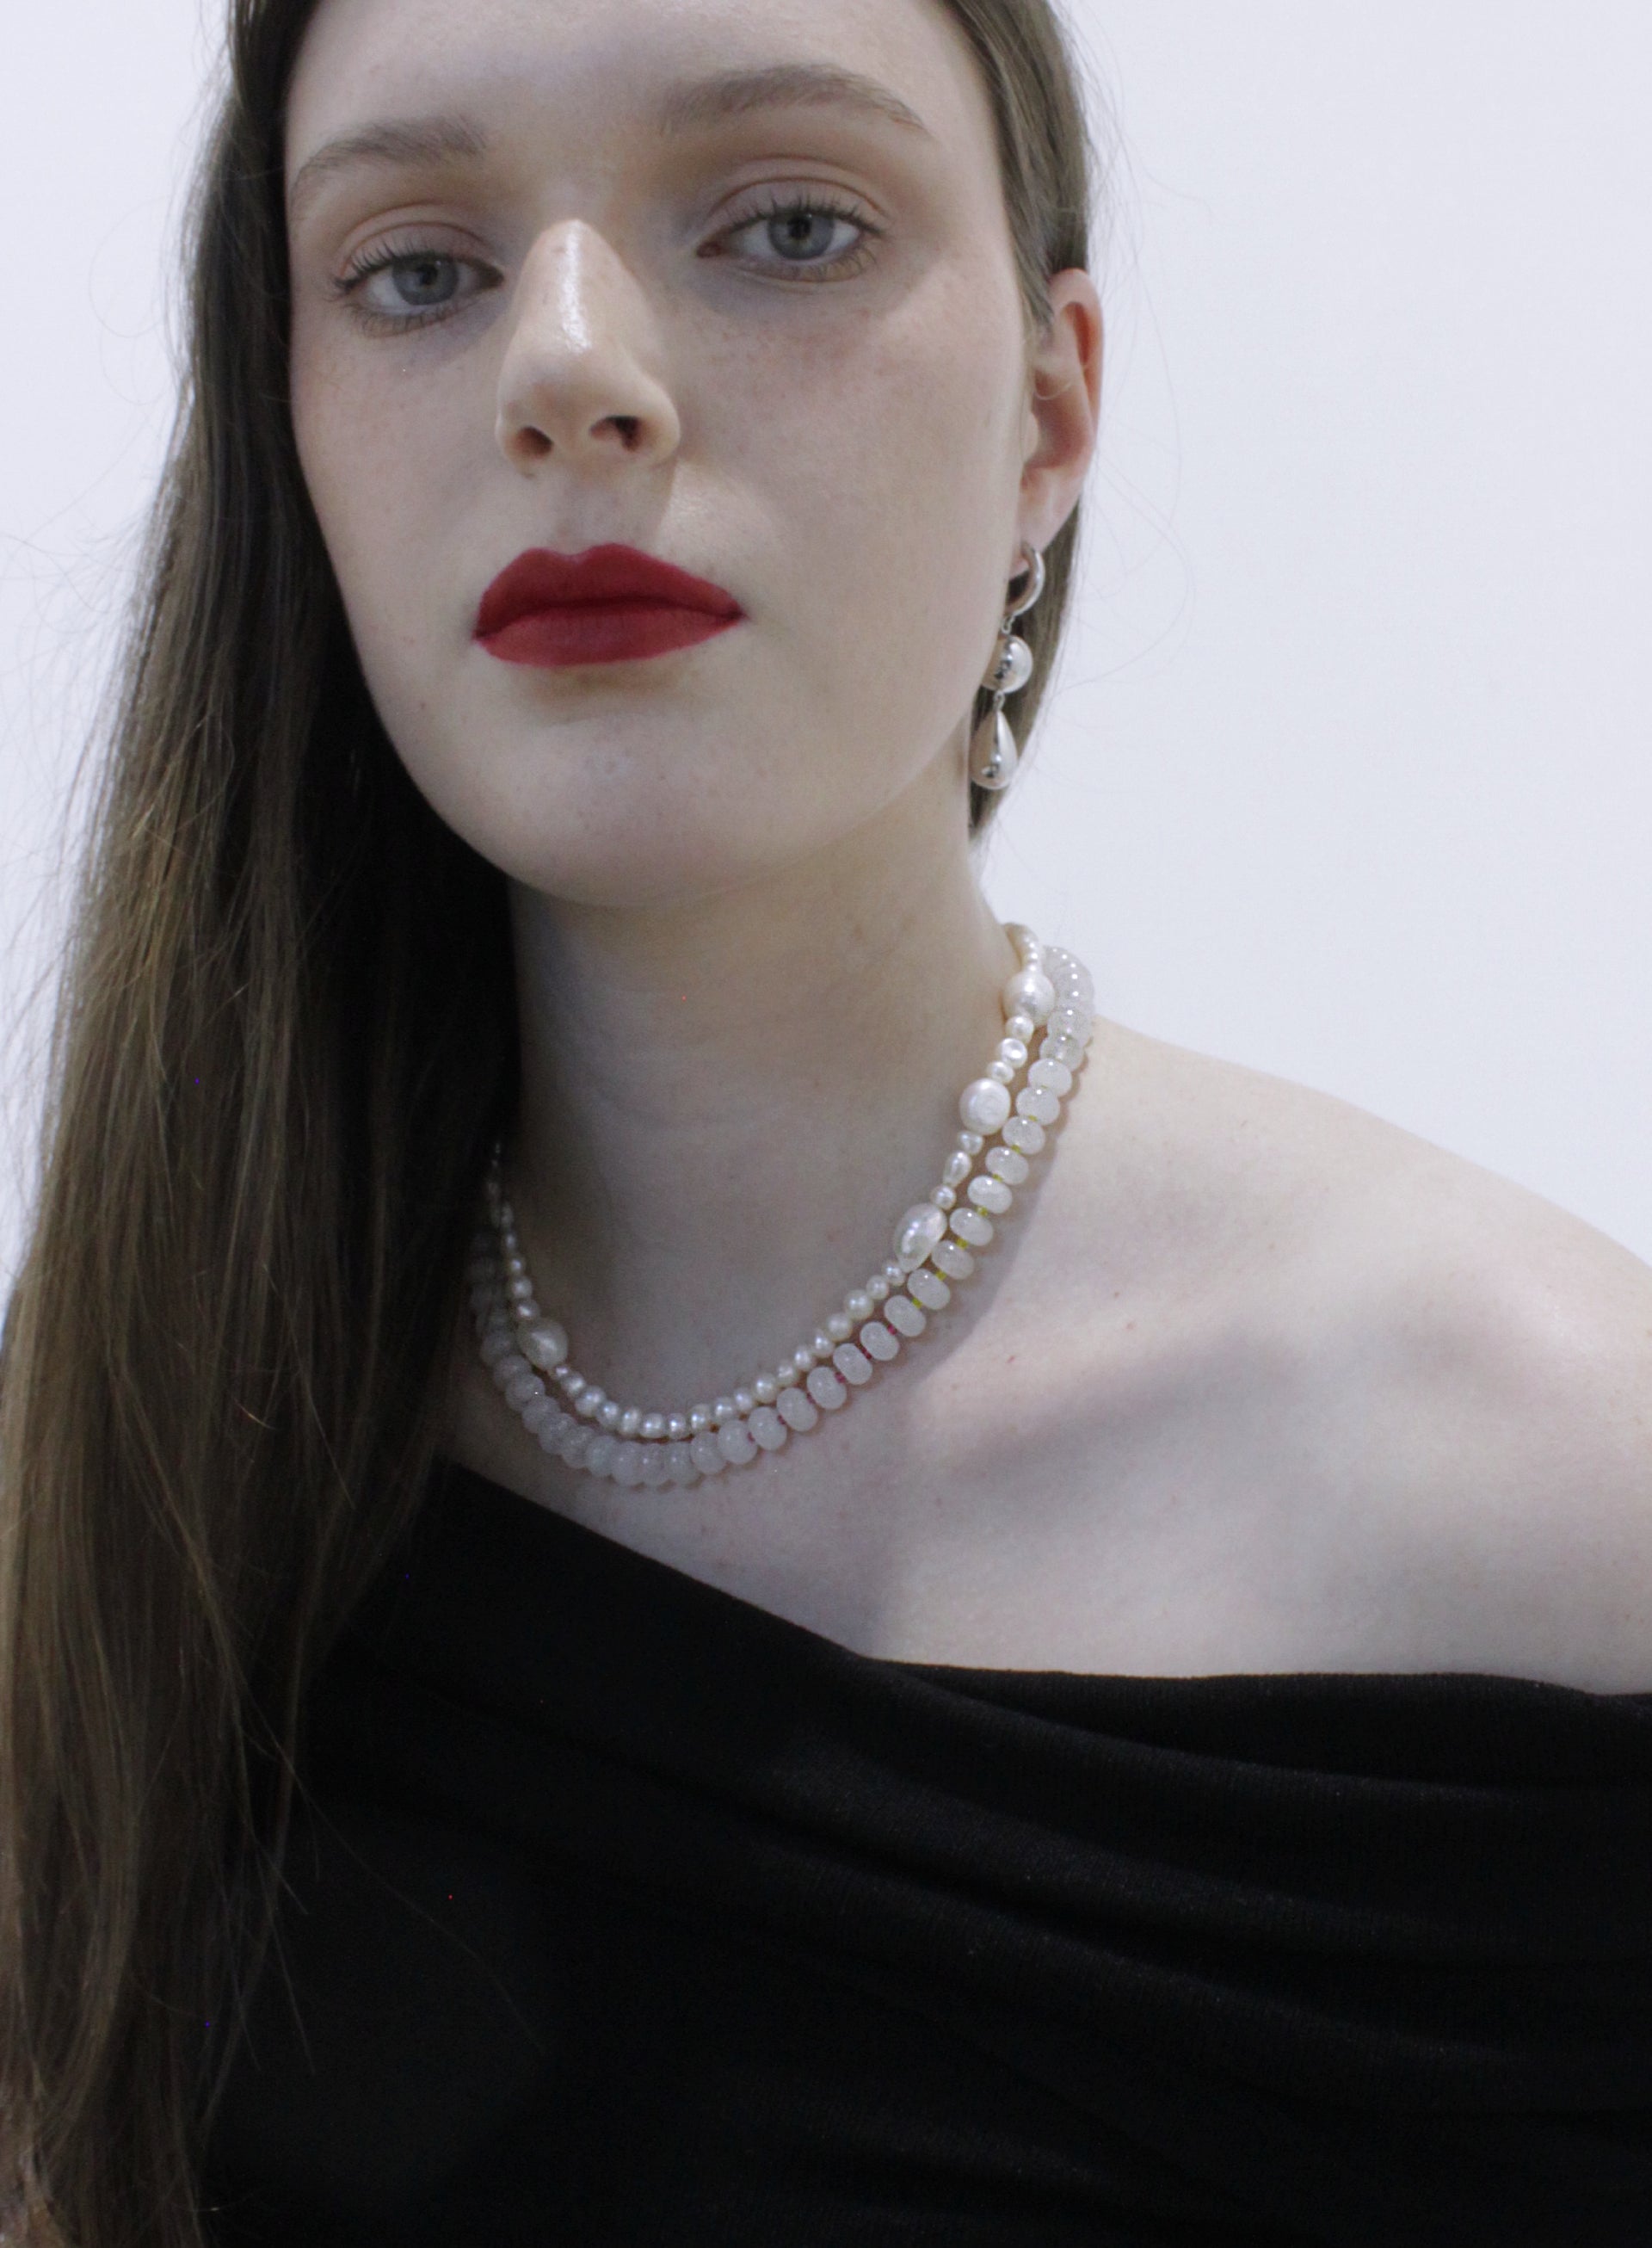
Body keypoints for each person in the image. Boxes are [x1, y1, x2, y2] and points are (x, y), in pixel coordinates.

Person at [3, 0, 1650, 2240]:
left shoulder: (1542, 1479)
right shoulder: (130, 1482)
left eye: (787, 223)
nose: (567, 370)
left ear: (1055, 409)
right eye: (416, 267)